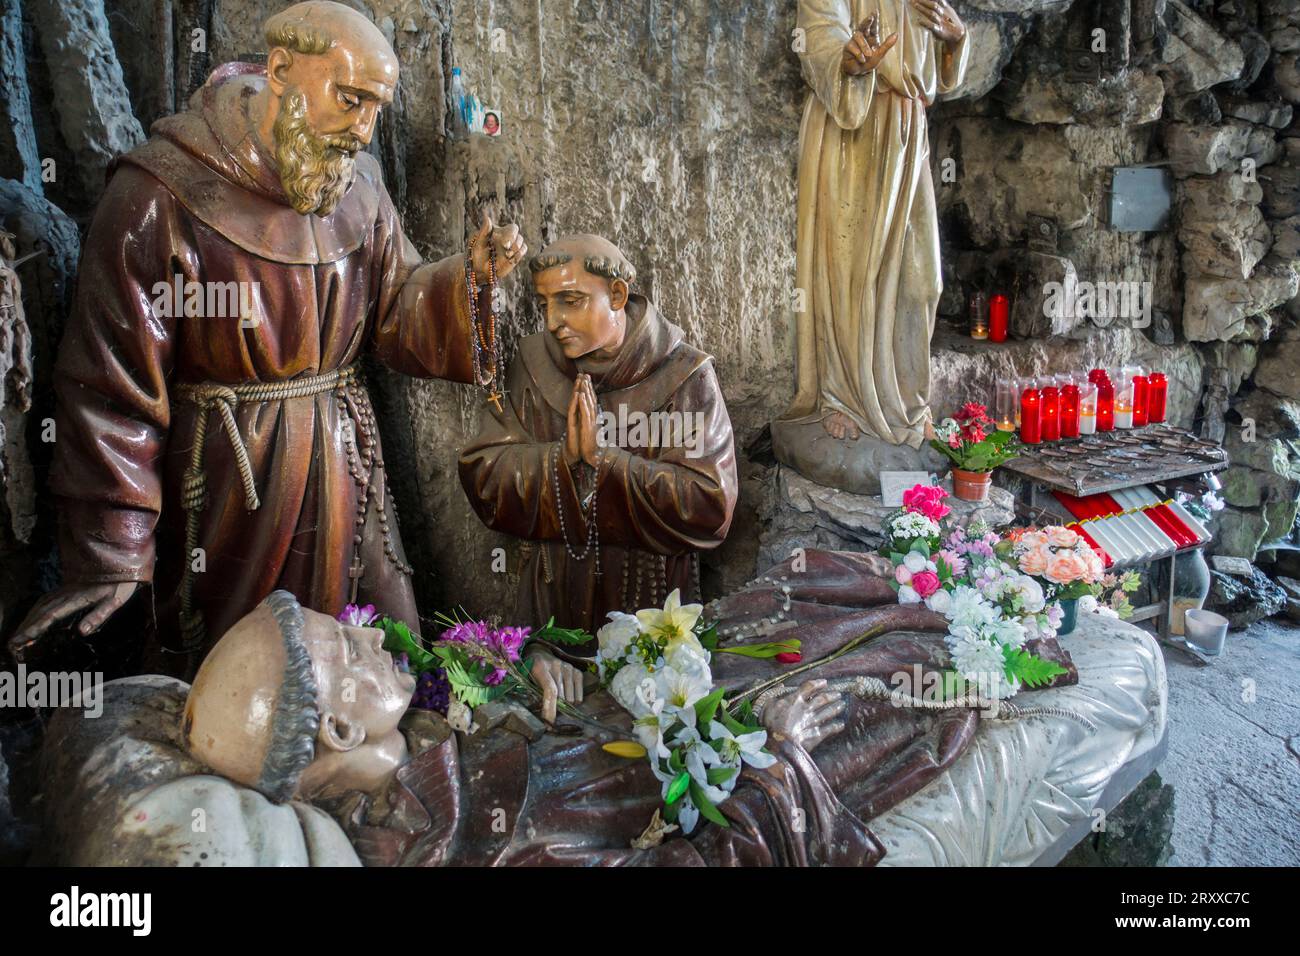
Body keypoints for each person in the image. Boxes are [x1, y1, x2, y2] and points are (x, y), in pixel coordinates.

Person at [10, 2, 527, 669]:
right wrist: (114, 543)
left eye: (377, 108)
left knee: (376, 657)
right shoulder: (162, 192)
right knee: (239, 680)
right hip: (230, 478)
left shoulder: (360, 185)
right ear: (281, 69)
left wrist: (468, 283)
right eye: (350, 99)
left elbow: (396, 311)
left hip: (345, 466)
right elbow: (111, 382)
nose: (363, 129)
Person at [459, 235, 738, 632]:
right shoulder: (534, 365)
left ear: (618, 295)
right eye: (544, 305)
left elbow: (711, 505)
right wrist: (561, 458)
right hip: (555, 602)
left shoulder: (684, 376)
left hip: (651, 610)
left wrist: (606, 461)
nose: (553, 321)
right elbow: (484, 474)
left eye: (571, 301)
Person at [779, 1, 969, 447]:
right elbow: (817, 36)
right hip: (851, 130)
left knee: (923, 281)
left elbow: (941, 69)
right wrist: (848, 59)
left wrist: (957, 41)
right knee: (850, 275)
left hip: (908, 129)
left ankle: (908, 401)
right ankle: (842, 397)